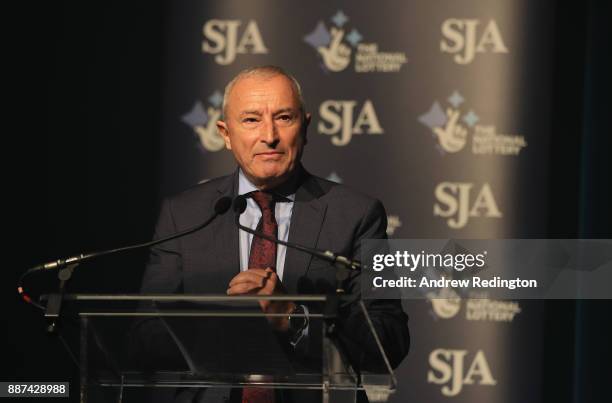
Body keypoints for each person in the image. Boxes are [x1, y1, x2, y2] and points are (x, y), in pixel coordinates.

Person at [139, 65, 409, 403]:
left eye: (284, 117)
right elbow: (147, 332)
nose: (270, 135)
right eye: (251, 120)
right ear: (225, 133)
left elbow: (390, 339)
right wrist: (225, 330)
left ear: (305, 126)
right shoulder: (184, 214)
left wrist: (294, 319)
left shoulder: (356, 214)